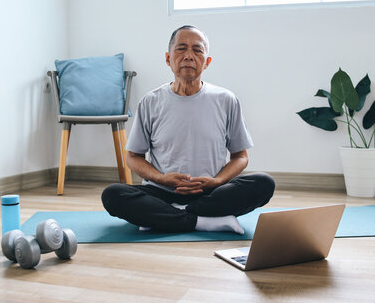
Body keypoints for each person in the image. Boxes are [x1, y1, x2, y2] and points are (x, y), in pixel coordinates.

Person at [102, 25, 275, 234]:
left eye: (197, 50)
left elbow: (240, 156)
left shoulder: (226, 100)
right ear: (168, 58)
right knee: (112, 195)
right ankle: (202, 220)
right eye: (181, 49)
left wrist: (217, 181)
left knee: (264, 183)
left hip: (211, 194)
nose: (189, 56)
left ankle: (167, 216)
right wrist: (161, 178)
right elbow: (133, 157)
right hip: (161, 191)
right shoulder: (150, 101)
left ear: (207, 61)